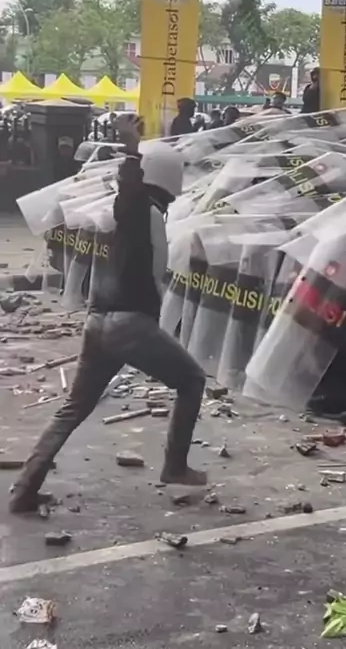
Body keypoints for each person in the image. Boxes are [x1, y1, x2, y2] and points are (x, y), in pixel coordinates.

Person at [9, 114, 207, 514]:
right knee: (192, 380)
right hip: (128, 324)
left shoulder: (140, 217)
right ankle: (174, 465)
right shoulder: (142, 210)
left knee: (73, 408)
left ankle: (25, 490)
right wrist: (131, 147)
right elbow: (129, 192)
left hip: (99, 322)